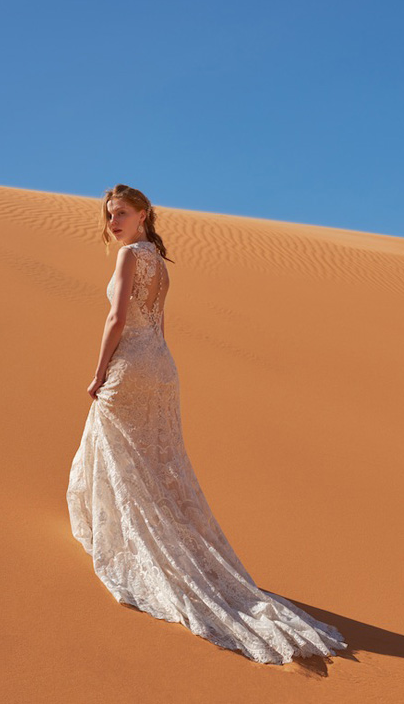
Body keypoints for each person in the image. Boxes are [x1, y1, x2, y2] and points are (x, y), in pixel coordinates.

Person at [66, 184, 348, 665]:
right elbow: (156, 320)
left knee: (120, 446)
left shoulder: (131, 256)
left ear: (142, 215)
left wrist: (97, 373)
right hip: (162, 365)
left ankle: (125, 534)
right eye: (110, 215)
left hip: (132, 364)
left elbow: (117, 319)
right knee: (155, 457)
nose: (113, 222)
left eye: (121, 214)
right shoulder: (157, 258)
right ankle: (156, 535)